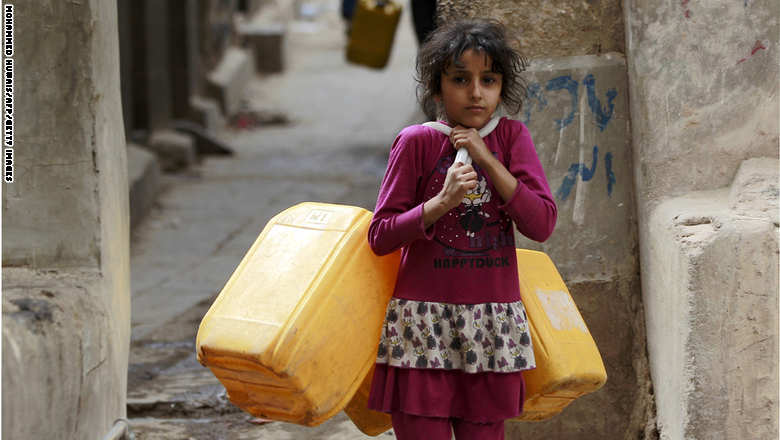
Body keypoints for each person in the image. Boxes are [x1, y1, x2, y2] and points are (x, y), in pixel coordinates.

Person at [365, 18, 557, 440]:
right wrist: (440, 203)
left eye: (488, 79)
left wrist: (487, 159)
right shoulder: (416, 142)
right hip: (422, 327)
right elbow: (380, 235)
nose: (475, 92)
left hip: (491, 327)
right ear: (438, 89)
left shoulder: (512, 138)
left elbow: (541, 223)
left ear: (501, 87)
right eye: (459, 79)